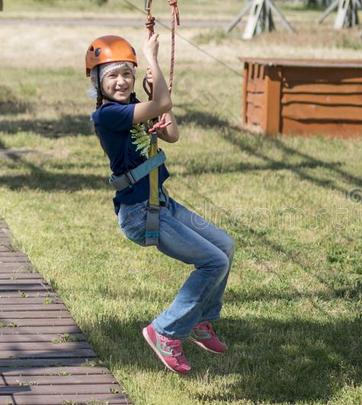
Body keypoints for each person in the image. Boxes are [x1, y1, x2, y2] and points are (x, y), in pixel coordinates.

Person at [86, 34, 235, 374]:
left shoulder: (134, 106)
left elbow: (171, 133)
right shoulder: (109, 116)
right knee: (212, 263)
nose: (121, 81)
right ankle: (165, 331)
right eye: (112, 76)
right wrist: (153, 58)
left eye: (126, 73)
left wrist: (156, 92)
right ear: (97, 83)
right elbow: (163, 105)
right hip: (140, 214)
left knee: (225, 246)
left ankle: (200, 320)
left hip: (161, 202)